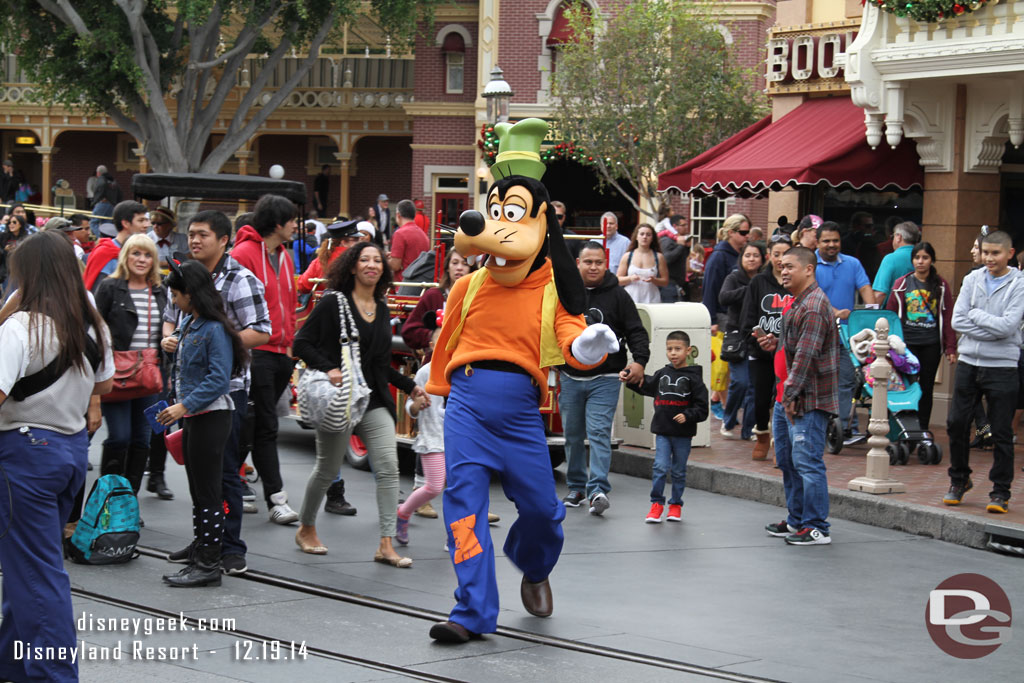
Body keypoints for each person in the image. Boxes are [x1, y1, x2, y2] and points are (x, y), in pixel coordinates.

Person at [0, 231, 113, 682]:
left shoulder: (20, 327)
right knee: (27, 566)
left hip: (24, 453)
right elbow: (104, 385)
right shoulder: (91, 324)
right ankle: (13, 666)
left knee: (37, 576)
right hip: (69, 453)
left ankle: (53, 675)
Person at [293, 241, 424, 565]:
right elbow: (301, 343)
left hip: (374, 400)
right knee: (326, 469)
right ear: (352, 267)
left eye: (377, 260)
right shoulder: (332, 302)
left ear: (384, 268)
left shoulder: (381, 308)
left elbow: (380, 364)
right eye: (364, 260)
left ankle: (385, 543)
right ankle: (306, 527)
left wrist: (410, 386)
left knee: (388, 467)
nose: (371, 265)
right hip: (341, 398)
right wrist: (329, 368)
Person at [162, 210, 272, 575]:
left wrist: (212, 345)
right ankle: (205, 542)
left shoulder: (241, 279)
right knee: (199, 474)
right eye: (191, 234)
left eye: (203, 235)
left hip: (227, 391)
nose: (194, 241)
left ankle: (228, 546)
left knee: (223, 472)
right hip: (189, 391)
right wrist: (172, 337)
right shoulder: (186, 276)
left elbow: (262, 330)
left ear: (224, 240)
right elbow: (171, 316)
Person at [159, 261, 248, 587]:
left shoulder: (213, 329)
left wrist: (183, 406)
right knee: (199, 489)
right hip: (195, 416)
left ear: (190, 294)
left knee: (209, 490)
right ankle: (202, 551)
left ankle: (209, 562)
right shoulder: (189, 323)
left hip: (211, 416)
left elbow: (218, 379)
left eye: (176, 293)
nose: (174, 299)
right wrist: (169, 346)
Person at [562, 241, 650, 515]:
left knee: (599, 432)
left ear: (606, 263)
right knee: (573, 435)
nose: (593, 267)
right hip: (570, 376)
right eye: (588, 262)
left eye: (598, 262)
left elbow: (636, 331)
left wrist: (639, 362)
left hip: (607, 377)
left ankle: (598, 489)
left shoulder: (619, 296)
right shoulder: (564, 293)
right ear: (578, 263)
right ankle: (576, 486)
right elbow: (548, 328)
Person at [758, 245, 839, 545]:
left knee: (807, 462)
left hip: (807, 400)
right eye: (781, 265)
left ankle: (817, 527)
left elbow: (806, 359)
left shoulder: (815, 306)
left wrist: (790, 397)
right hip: (786, 397)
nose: (783, 270)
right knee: (789, 462)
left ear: (809, 269)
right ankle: (796, 520)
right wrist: (774, 343)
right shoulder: (795, 302)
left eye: (790, 266)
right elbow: (792, 347)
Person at [231, 194, 301, 524]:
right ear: (277, 223)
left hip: (280, 354)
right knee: (266, 427)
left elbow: (288, 302)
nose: (294, 226)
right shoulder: (243, 254)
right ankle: (276, 497)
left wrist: (288, 348)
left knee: (255, 426)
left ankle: (232, 481)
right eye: (290, 220)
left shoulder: (285, 256)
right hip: (255, 352)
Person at [943, 230, 1024, 514]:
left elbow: (1008, 326)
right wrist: (988, 324)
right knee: (956, 424)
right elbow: (956, 320)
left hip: (1002, 366)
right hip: (969, 362)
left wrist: (975, 315)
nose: (989, 258)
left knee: (1001, 432)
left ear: (1009, 254)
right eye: (985, 252)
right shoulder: (972, 279)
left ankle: (1000, 491)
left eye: (995, 253)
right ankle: (959, 480)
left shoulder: (1019, 284)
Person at [94, 234, 168, 494]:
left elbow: (169, 329)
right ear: (125, 255)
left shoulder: (160, 290)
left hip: (150, 376)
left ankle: (128, 502)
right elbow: (94, 331)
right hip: (117, 374)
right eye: (136, 253)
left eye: (148, 255)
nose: (142, 260)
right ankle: (107, 500)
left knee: (142, 439)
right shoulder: (110, 287)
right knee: (119, 437)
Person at [625, 330, 708, 523]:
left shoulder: (694, 378)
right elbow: (645, 385)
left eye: (677, 349)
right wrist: (628, 378)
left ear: (688, 351)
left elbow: (702, 409)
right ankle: (656, 504)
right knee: (660, 467)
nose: (673, 353)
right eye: (669, 349)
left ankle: (676, 505)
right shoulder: (662, 374)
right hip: (662, 431)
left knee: (678, 471)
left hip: (683, 435)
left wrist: (688, 415)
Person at [884, 241, 956, 429]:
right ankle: (905, 427)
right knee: (905, 386)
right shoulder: (901, 284)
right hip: (906, 344)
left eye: (925, 258)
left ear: (932, 260)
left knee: (926, 387)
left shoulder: (940, 285)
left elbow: (947, 316)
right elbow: (891, 314)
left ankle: (922, 428)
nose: (920, 262)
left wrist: (950, 347)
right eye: (917, 258)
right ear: (912, 260)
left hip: (931, 344)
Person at [815, 221, 874, 439]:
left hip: (847, 335)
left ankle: (841, 428)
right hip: (817, 334)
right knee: (819, 381)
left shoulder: (853, 263)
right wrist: (835, 311)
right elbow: (812, 293)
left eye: (836, 240)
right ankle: (819, 427)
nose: (832, 245)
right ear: (818, 242)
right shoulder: (810, 263)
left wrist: (871, 311)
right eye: (827, 241)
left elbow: (865, 288)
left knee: (847, 381)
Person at [740, 233, 793, 459]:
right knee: (760, 399)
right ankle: (762, 435)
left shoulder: (796, 283)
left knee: (784, 398)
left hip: (789, 352)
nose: (781, 260)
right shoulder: (758, 282)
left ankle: (782, 442)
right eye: (776, 254)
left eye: (785, 254)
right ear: (769, 256)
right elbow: (748, 318)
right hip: (761, 352)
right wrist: (756, 339)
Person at [396, 324, 446, 546]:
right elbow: (410, 407)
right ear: (432, 346)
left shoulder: (463, 369)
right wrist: (416, 405)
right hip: (434, 437)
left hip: (459, 439)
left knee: (461, 489)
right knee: (434, 487)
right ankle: (404, 512)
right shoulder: (426, 372)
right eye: (441, 342)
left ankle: (455, 536)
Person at [718, 242, 764, 442]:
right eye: (748, 255)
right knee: (740, 382)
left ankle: (748, 429)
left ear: (762, 259)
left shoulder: (765, 280)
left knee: (755, 385)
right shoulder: (734, 277)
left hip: (758, 336)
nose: (751, 259)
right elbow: (724, 298)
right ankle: (728, 420)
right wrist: (749, 290)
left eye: (756, 255)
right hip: (737, 336)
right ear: (741, 258)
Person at [84, 200, 151, 291]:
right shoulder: (105, 253)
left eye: (146, 220)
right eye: (141, 220)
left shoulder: (144, 252)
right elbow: (98, 293)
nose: (146, 225)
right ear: (126, 223)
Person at [702, 214, 750, 334]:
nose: (747, 236)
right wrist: (712, 320)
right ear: (730, 233)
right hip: (723, 315)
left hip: (740, 314)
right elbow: (709, 289)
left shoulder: (741, 255)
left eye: (747, 232)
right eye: (743, 233)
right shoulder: (718, 257)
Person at [297, 219, 360, 295]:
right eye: (355, 240)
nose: (359, 242)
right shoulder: (357, 260)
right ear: (344, 242)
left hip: (323, 304)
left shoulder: (320, 260)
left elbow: (303, 286)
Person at [616, 223, 668, 304]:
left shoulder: (659, 257)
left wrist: (654, 280)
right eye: (642, 234)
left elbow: (665, 281)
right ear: (636, 237)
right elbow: (617, 280)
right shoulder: (627, 256)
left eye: (648, 235)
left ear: (652, 238)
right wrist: (630, 278)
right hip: (630, 299)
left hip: (652, 299)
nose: (645, 237)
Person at [872, 221, 920, 305]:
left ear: (898, 237)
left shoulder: (890, 259)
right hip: (918, 312)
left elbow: (880, 294)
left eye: (893, 236)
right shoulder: (923, 259)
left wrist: (868, 314)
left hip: (894, 314)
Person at [388, 199, 430, 281]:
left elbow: (395, 265)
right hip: (419, 283)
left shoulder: (399, 233)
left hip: (403, 284)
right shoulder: (424, 236)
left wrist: (382, 259)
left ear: (398, 215)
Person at [659, 214, 690, 302]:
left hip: (679, 283)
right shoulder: (666, 240)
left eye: (686, 225)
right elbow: (666, 259)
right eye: (683, 225)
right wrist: (680, 246)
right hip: (669, 284)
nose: (686, 227)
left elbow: (682, 258)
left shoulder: (679, 240)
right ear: (674, 226)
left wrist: (686, 247)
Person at [0, 212, 31, 287]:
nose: (11, 224)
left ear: (20, 224)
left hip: (21, 270)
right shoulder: (3, 236)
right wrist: (5, 250)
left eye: (14, 222)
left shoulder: (27, 238)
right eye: (9, 222)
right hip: (6, 271)